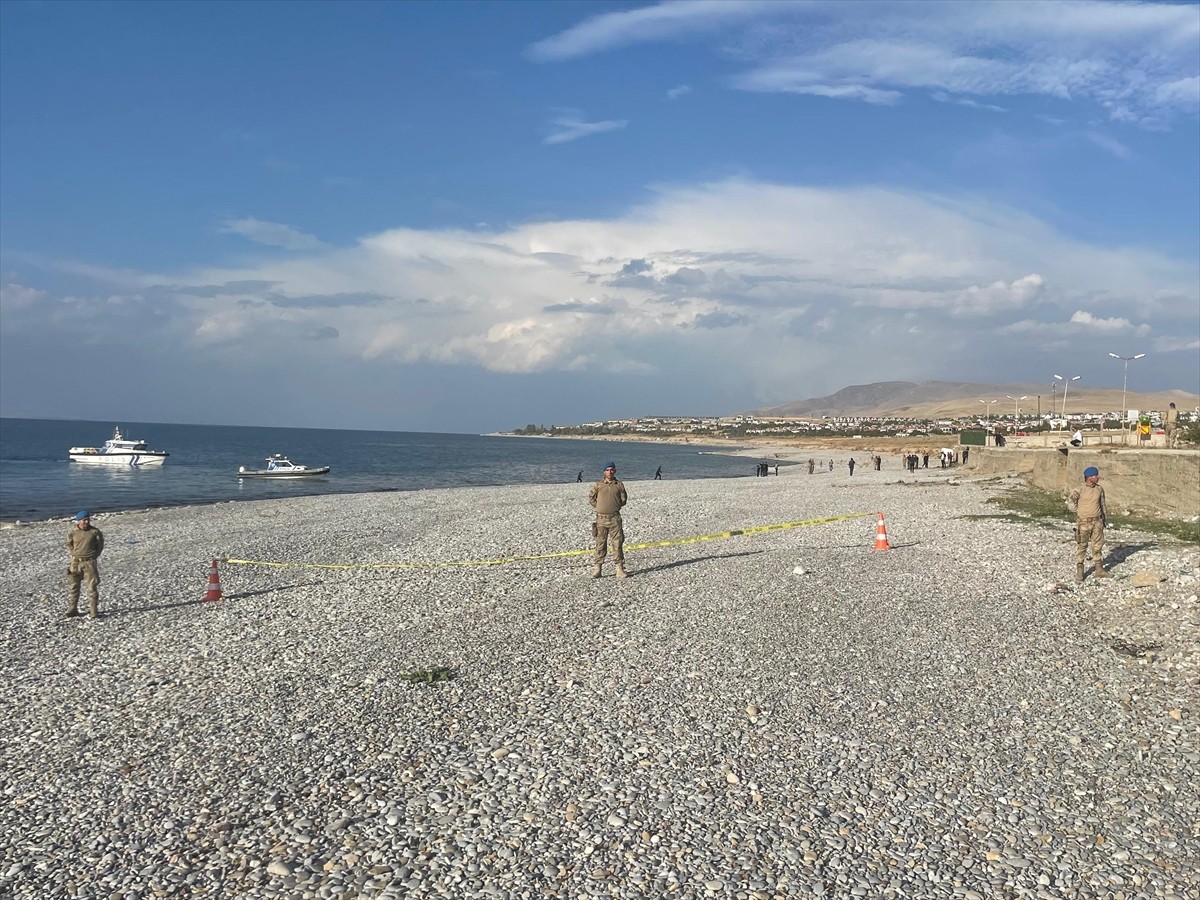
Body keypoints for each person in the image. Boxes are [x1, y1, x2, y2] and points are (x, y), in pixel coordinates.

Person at [1067, 466, 1109, 582]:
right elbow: (1070, 503)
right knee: (1082, 546)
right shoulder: (1079, 490)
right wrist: (1080, 512)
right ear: (1089, 477)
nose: (1098, 477)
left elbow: (1103, 505)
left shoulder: (1099, 489)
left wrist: (1104, 519)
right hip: (1084, 522)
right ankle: (1080, 572)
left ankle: (1099, 570)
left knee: (1098, 545)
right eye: (1095, 476)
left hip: (1097, 521)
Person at [588, 462, 628, 579]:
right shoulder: (598, 485)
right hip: (601, 519)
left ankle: (619, 568)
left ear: (615, 471)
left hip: (614, 518)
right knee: (600, 543)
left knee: (617, 544)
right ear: (604, 471)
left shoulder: (619, 485)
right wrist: (600, 506)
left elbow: (623, 500)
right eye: (607, 470)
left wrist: (614, 506)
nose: (609, 472)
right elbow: (591, 498)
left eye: (611, 470)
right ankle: (597, 568)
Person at [66, 510, 104, 619]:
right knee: (73, 586)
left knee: (91, 587)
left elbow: (100, 546)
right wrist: (75, 555)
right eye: (84, 520)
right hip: (75, 563)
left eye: (88, 519)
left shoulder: (95, 532)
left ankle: (93, 611)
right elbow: (69, 545)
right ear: (78, 521)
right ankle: (72, 610)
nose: (86, 522)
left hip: (89, 563)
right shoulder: (72, 532)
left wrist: (92, 556)